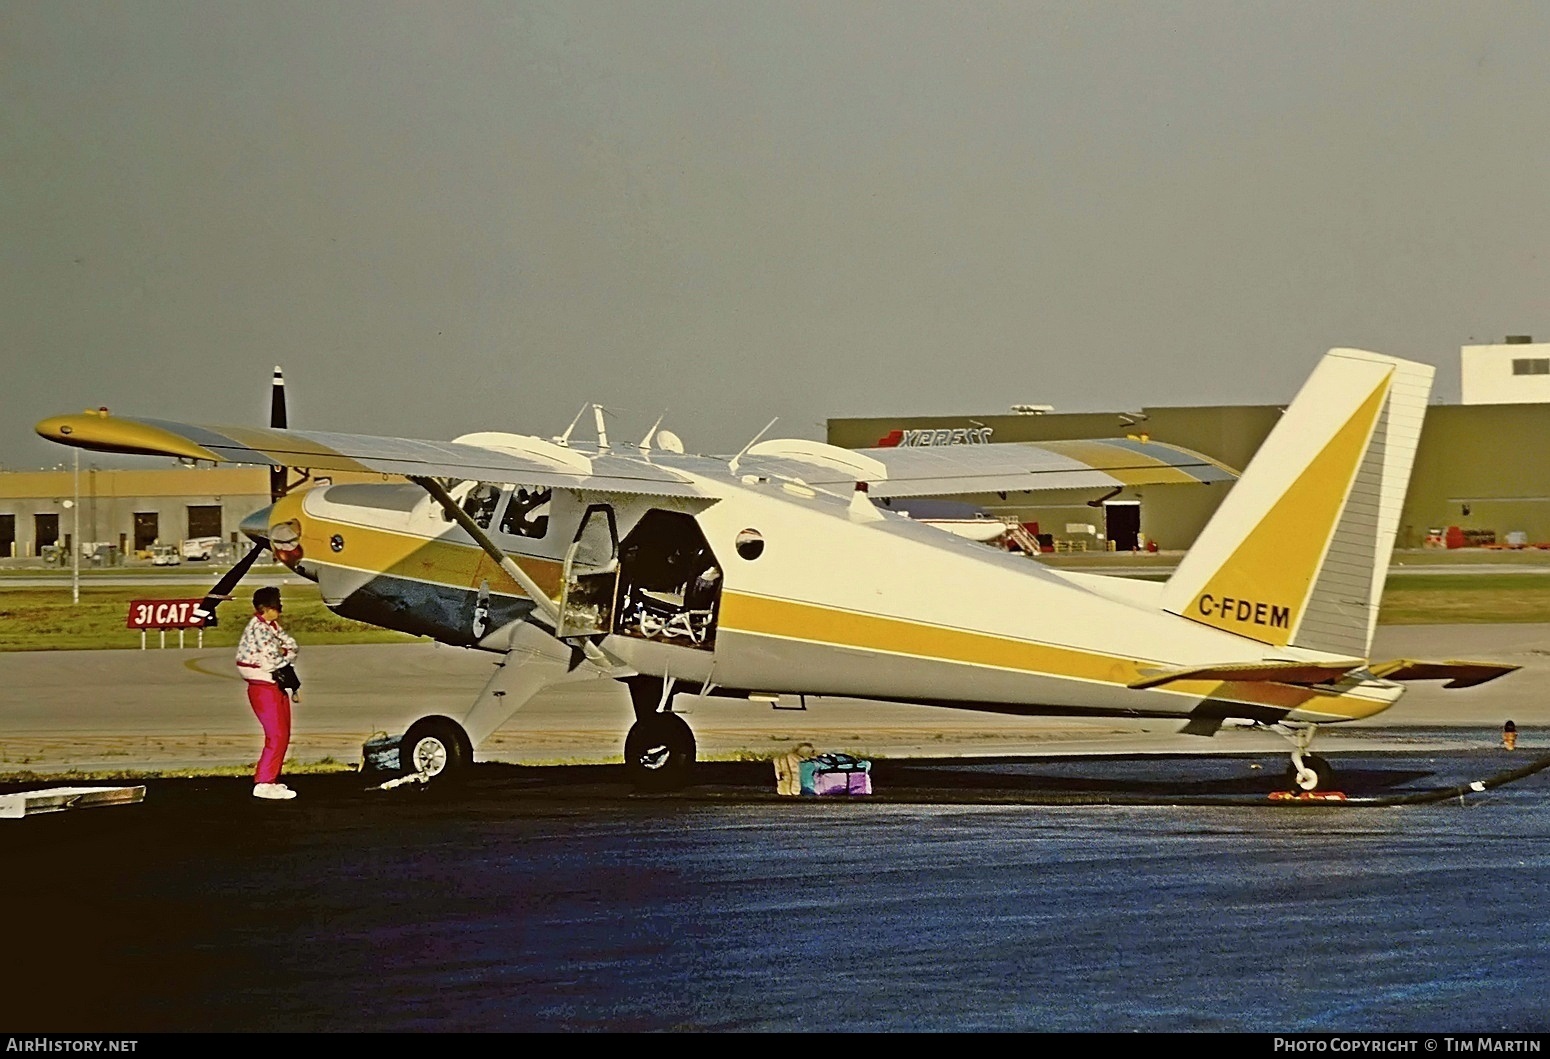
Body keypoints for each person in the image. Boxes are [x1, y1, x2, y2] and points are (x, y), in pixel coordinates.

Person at [236, 586, 300, 800]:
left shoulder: (270, 626)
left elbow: (291, 646)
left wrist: (286, 654)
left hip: (274, 684)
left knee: (284, 734)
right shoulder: (259, 629)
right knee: (277, 735)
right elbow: (272, 658)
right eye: (277, 606)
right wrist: (286, 655)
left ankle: (271, 778)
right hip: (263, 687)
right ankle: (263, 782)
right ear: (266, 608)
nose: (280, 610)